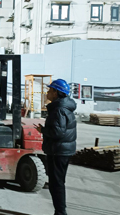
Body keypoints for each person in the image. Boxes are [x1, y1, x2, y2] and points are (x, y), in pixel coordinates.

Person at [34, 79, 77, 215]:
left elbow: (58, 132)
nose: (47, 92)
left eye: (50, 90)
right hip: (62, 150)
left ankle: (60, 212)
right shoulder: (63, 107)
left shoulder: (59, 109)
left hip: (58, 151)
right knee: (58, 183)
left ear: (56, 93)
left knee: (56, 184)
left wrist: (43, 131)